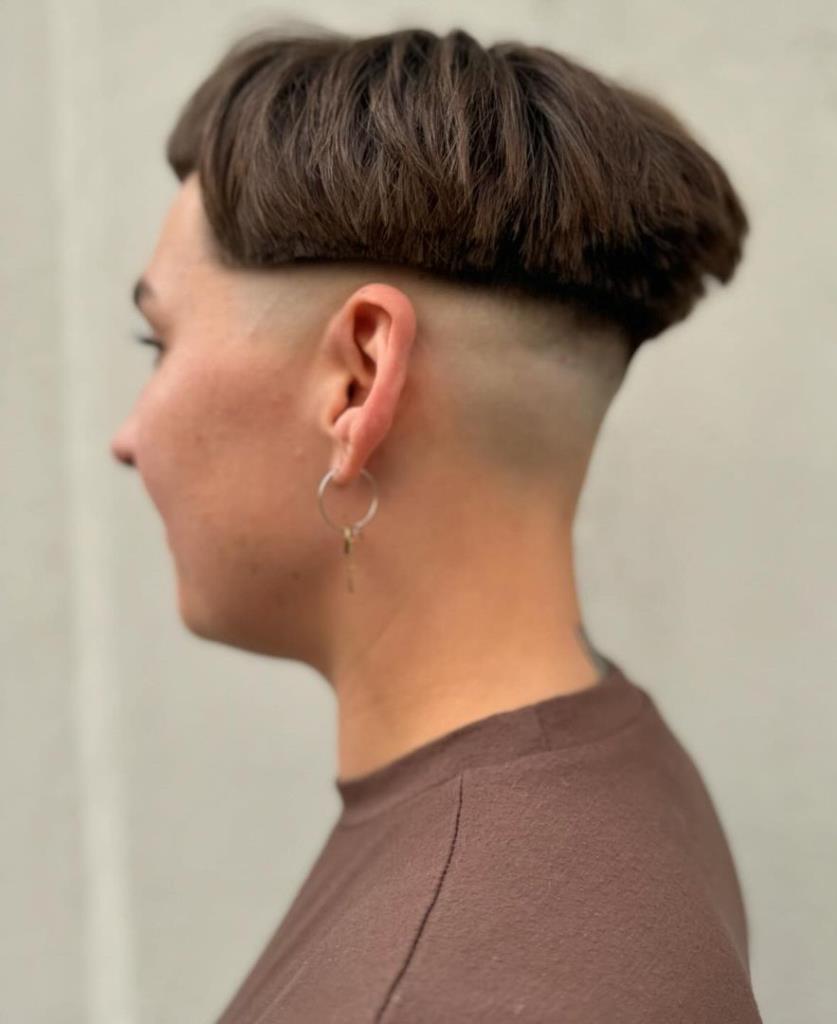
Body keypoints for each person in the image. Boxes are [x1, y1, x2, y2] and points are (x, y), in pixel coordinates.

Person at [110, 22, 761, 1023]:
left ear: (357, 380)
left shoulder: (479, 977)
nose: (128, 438)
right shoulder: (616, 762)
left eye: (157, 341)